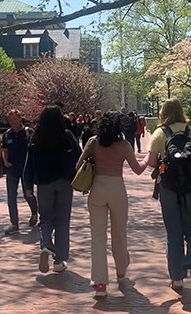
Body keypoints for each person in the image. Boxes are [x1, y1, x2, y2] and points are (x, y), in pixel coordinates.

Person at [75, 111, 148, 298]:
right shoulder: (124, 145)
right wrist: (148, 157)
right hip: (116, 188)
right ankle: (121, 270)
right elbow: (138, 170)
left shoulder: (93, 141)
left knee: (98, 238)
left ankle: (100, 283)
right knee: (119, 233)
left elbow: (78, 166)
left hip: (97, 188)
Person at [142, 99, 191, 294]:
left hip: (168, 188)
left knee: (174, 233)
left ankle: (177, 279)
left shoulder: (160, 133)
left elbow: (152, 162)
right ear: (181, 112)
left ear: (163, 113)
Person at [24, 106, 81, 274]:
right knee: (63, 220)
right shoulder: (67, 136)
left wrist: (28, 186)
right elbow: (79, 157)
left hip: (44, 183)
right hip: (64, 181)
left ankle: (46, 246)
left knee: (46, 218)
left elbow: (29, 164)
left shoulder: (37, 137)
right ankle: (59, 260)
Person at [1, 109, 39, 235]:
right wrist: (5, 161)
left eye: (14, 119)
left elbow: (35, 148)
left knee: (28, 194)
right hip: (12, 168)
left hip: (26, 168)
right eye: (10, 120)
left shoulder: (28, 132)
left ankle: (34, 213)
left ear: (20, 118)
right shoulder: (7, 134)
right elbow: (4, 149)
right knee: (11, 196)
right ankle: (14, 223)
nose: (12, 122)